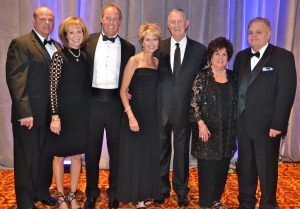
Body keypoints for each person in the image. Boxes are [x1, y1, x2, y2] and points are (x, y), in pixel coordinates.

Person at [233, 17, 297, 209]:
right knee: (245, 167)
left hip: (268, 126)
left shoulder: (283, 57)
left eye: (258, 32)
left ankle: (268, 204)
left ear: (269, 33)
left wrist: (278, 124)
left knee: (267, 169)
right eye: (250, 32)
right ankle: (246, 202)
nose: (253, 36)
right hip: (243, 123)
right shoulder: (241, 57)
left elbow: (286, 92)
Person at [5, 6, 61, 209]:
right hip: (29, 115)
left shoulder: (57, 45)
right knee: (26, 159)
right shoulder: (21, 44)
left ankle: (41, 192)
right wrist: (24, 112)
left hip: (50, 117)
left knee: (45, 156)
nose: (47, 23)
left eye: (50, 19)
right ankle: (25, 201)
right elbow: (16, 79)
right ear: (34, 20)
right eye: (43, 19)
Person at [84, 3, 135, 209]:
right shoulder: (87, 42)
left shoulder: (129, 48)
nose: (112, 22)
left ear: (120, 22)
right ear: (101, 19)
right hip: (92, 103)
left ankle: (114, 192)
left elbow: (133, 77)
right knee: (92, 151)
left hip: (116, 104)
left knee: (117, 151)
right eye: (108, 18)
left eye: (116, 19)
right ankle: (91, 192)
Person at [156, 8, 206, 207]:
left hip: (185, 110)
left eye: (179, 21)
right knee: (161, 151)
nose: (176, 25)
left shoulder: (199, 50)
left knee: (182, 152)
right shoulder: (158, 47)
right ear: (168, 25)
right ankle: (160, 189)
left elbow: (202, 82)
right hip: (161, 109)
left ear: (187, 23)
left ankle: (181, 190)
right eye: (172, 22)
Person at [117, 23, 162, 209]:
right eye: (148, 39)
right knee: (134, 156)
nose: (151, 43)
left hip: (152, 115)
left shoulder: (157, 62)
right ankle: (134, 196)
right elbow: (123, 91)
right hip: (135, 114)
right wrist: (131, 116)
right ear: (142, 42)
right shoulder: (133, 61)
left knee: (147, 156)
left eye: (155, 39)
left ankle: (144, 193)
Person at [190, 37, 237, 209]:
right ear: (210, 56)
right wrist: (201, 124)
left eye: (224, 54)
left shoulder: (233, 77)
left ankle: (216, 199)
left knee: (223, 168)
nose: (220, 57)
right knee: (207, 170)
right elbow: (194, 103)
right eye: (217, 53)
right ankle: (205, 203)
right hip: (207, 132)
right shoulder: (202, 77)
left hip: (228, 133)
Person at [48, 16, 89, 209]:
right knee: (58, 156)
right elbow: (52, 88)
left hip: (81, 116)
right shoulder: (59, 56)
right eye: (71, 32)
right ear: (65, 35)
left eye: (78, 31)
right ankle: (61, 196)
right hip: (63, 116)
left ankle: (72, 194)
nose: (75, 36)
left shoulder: (87, 56)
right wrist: (55, 116)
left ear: (83, 33)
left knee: (76, 156)